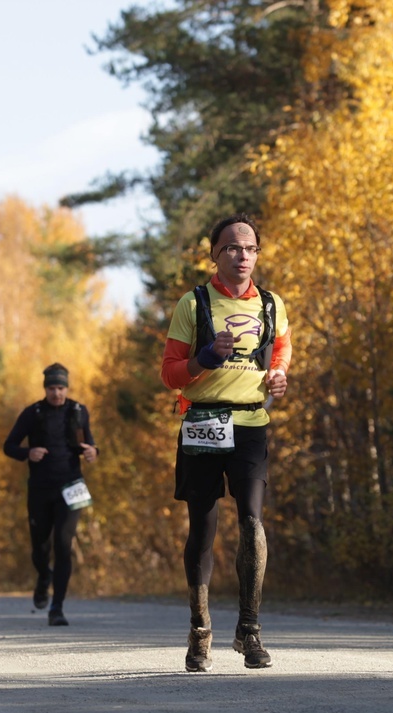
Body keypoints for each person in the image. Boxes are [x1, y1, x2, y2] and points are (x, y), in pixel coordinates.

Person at [160, 213, 291, 672]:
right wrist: (203, 358)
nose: (243, 256)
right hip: (202, 423)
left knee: (253, 523)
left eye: (251, 248)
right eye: (233, 248)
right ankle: (200, 632)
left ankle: (249, 631)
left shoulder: (272, 304)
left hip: (251, 424)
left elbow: (281, 348)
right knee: (203, 527)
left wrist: (278, 375)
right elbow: (170, 373)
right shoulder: (193, 305)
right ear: (215, 254)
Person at [3, 363, 98, 627]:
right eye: (52, 388)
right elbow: (8, 445)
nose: (56, 393)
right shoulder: (32, 413)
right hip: (41, 488)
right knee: (40, 547)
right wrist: (27, 453)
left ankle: (57, 607)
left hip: (71, 486)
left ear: (67, 388)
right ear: (45, 388)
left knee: (63, 545)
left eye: (61, 388)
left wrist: (93, 452)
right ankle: (44, 576)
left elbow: (88, 443)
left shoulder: (78, 411)